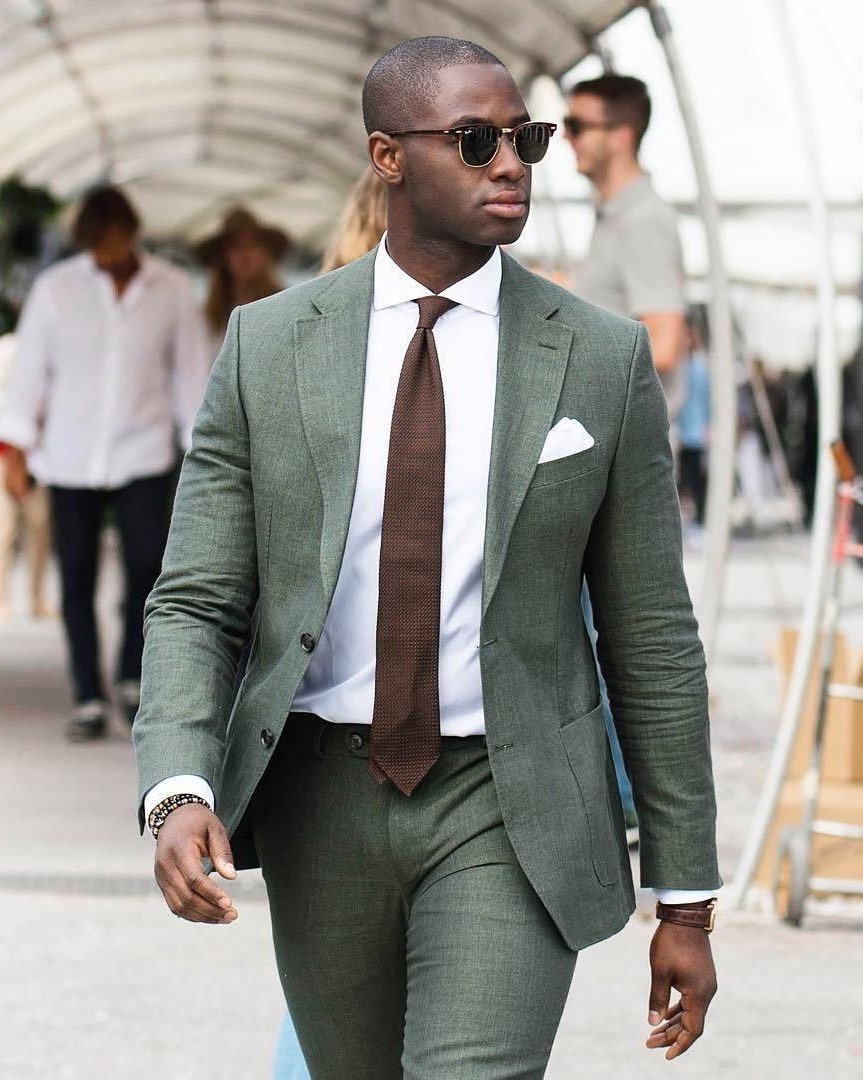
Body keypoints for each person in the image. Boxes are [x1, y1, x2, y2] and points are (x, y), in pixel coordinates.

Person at [135, 36, 720, 1079]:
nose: (511, 164)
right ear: (388, 157)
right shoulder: (270, 346)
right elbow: (197, 599)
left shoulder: (598, 355)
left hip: (509, 799)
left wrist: (685, 899)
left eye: (526, 139)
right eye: (475, 141)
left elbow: (652, 637)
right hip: (321, 797)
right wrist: (178, 786)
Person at [0, 185, 210, 740]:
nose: (107, 251)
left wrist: (201, 451)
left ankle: (132, 675)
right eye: (96, 242)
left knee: (145, 568)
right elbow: (29, 373)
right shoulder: (55, 289)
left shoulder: (171, 288)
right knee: (76, 577)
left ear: (130, 232)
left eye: (114, 238)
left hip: (144, 452)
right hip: (70, 455)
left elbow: (190, 372)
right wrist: (16, 449)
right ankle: (87, 695)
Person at [563, 73, 687, 420]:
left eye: (576, 126)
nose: (566, 137)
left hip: (628, 437)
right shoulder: (614, 216)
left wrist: (559, 361)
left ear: (621, 136)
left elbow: (663, 347)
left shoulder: (644, 221)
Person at [0, 331, 52, 622]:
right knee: (3, 531)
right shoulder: (8, 349)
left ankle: (36, 598)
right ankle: (1, 599)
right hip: (3, 456)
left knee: (40, 528)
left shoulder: (48, 356)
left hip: (36, 459)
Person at [196, 207, 291, 359]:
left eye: (252, 245)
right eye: (236, 247)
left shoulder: (285, 306)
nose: (245, 255)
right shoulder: (206, 316)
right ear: (223, 257)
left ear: (266, 253)